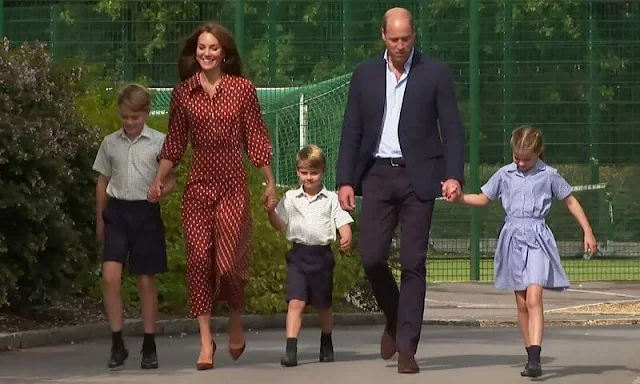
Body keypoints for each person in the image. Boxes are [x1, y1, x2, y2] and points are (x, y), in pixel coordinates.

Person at [336, 7, 465, 374]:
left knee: (413, 263)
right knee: (372, 258)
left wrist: (453, 174)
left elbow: (452, 129)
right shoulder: (364, 75)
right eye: (394, 39)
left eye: (406, 38)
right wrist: (346, 180)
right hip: (376, 175)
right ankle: (394, 317)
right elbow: (352, 130)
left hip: (418, 179)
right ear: (383, 36)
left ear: (414, 35)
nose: (400, 45)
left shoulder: (435, 73)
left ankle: (407, 347)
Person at [147, 22, 277, 371]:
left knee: (230, 264)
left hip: (233, 187)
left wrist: (268, 182)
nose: (206, 53)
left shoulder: (242, 90)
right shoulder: (183, 94)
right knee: (199, 261)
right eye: (201, 48)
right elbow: (174, 144)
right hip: (198, 189)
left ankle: (235, 315)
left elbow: (256, 137)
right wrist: (159, 180)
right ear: (196, 52)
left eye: (213, 48)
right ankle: (205, 341)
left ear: (225, 53)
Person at [445, 125, 597, 378]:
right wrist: (460, 198)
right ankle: (530, 356)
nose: (522, 163)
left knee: (535, 296)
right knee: (522, 302)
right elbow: (484, 198)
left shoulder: (549, 175)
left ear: (539, 153)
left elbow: (570, 200)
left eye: (527, 158)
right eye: (517, 158)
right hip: (512, 238)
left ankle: (536, 358)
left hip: (538, 237)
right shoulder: (505, 174)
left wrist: (587, 231)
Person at [93, 83, 177, 370]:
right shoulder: (110, 143)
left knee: (145, 281)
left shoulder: (159, 142)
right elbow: (103, 181)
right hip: (117, 213)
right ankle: (117, 342)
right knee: (110, 278)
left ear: (146, 113)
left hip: (145, 214)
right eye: (125, 117)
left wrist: (161, 191)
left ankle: (149, 344)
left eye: (135, 117)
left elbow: (172, 179)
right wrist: (100, 219)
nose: (129, 123)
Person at [265, 145, 354, 367]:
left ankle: (326, 342)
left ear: (323, 171)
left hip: (322, 257)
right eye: (304, 173)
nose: (309, 178)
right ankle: (291, 350)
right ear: (298, 172)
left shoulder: (331, 199)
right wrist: (270, 211)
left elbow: (342, 222)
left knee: (323, 305)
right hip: (298, 256)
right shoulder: (291, 198)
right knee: (296, 302)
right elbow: (280, 224)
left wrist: (346, 236)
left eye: (314, 173)